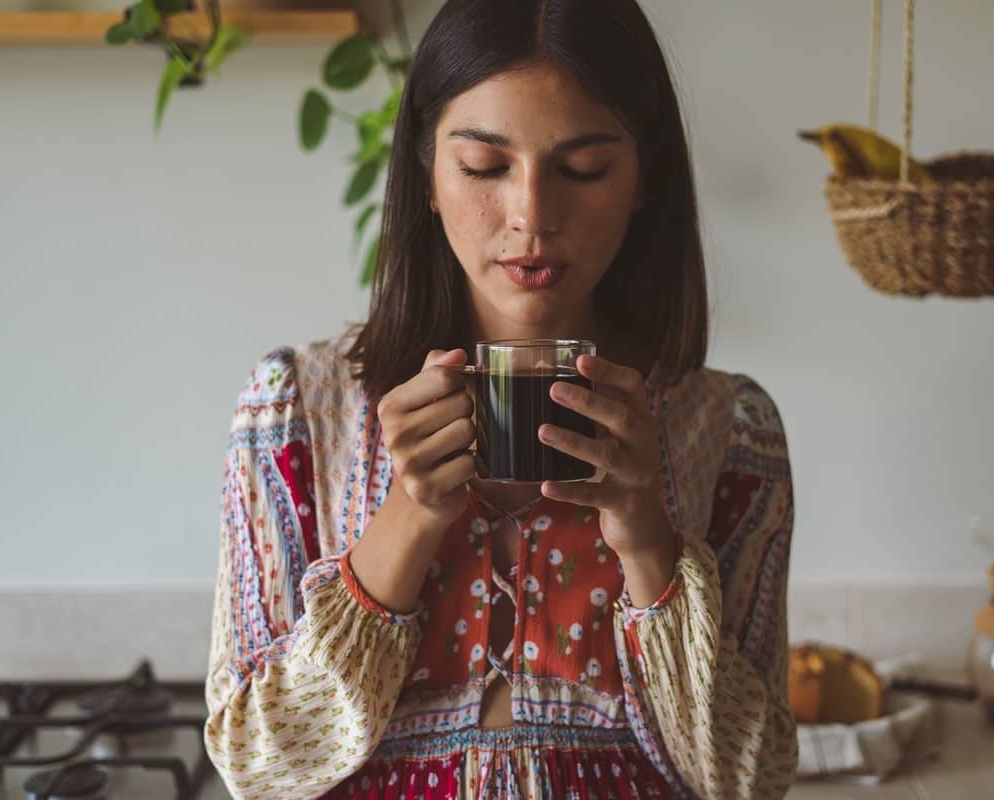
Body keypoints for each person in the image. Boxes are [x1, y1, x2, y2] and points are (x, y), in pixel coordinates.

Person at [203, 0, 798, 797]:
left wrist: (650, 544)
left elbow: (751, 778)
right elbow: (258, 763)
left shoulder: (727, 429)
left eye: (583, 169)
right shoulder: (298, 413)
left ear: (643, 178)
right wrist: (408, 518)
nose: (531, 216)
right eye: (485, 165)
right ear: (428, 177)